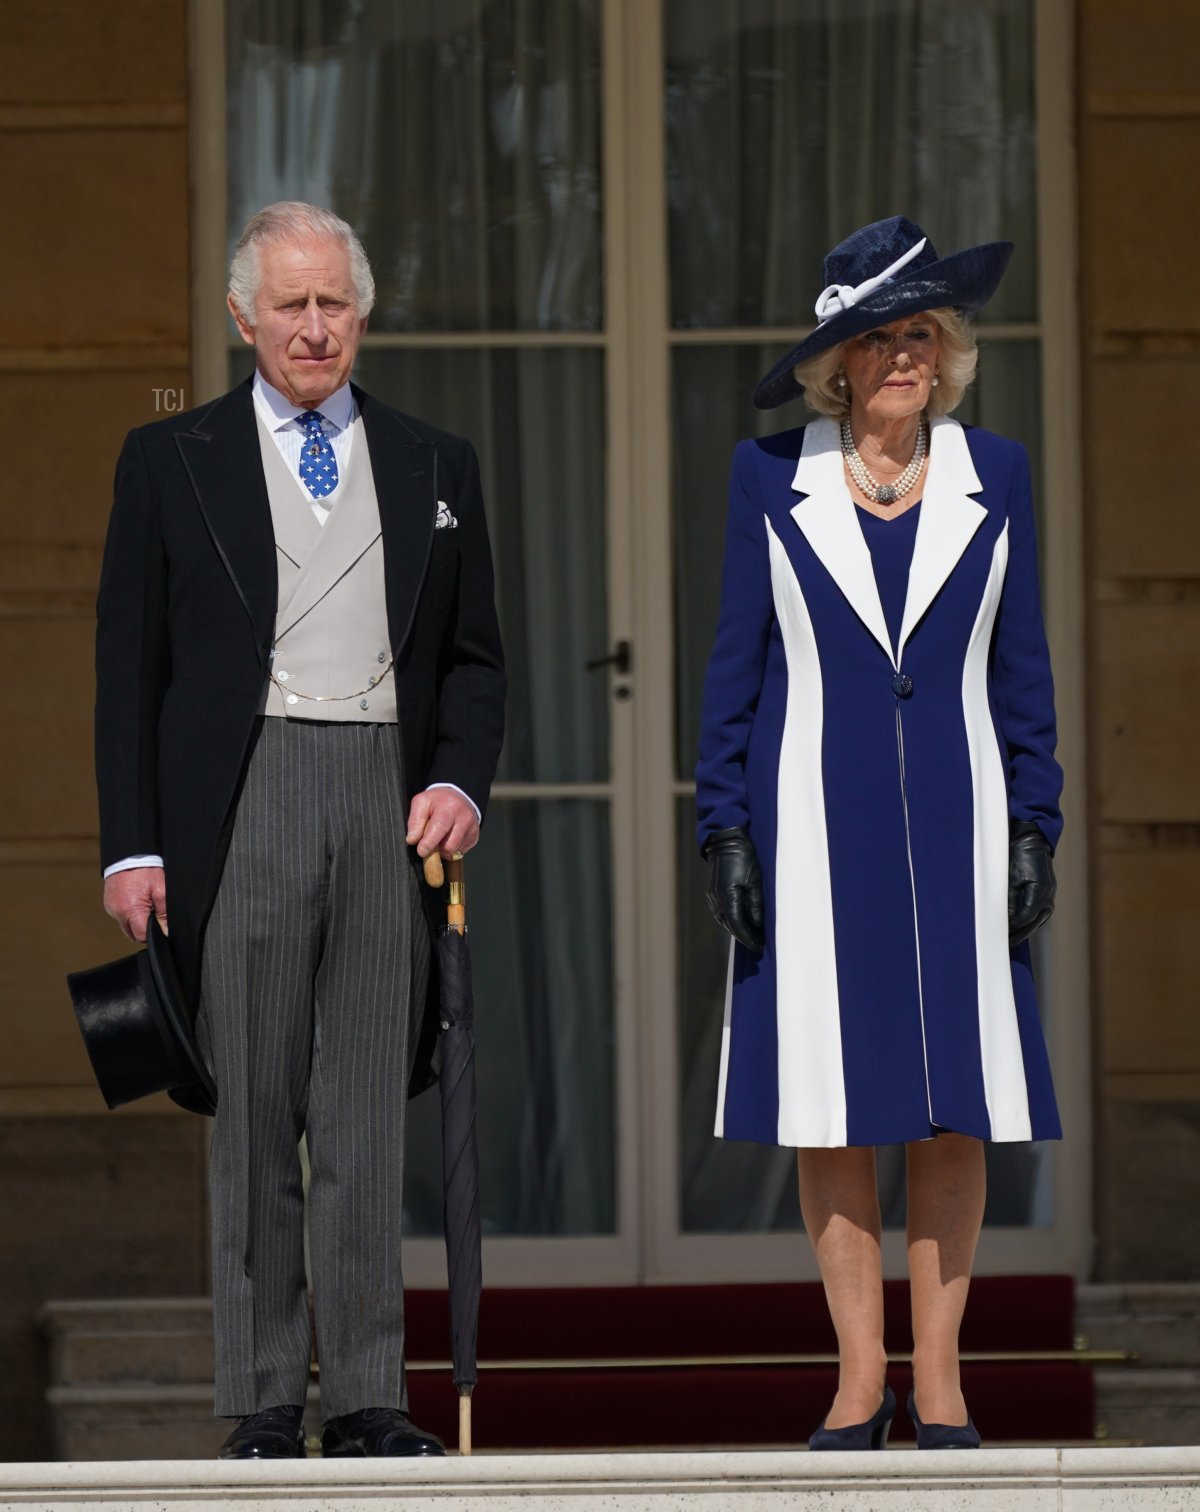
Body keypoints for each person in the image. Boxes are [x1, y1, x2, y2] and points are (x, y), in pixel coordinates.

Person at [95, 201, 505, 1459]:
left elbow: (479, 661)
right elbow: (130, 668)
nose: (314, 327)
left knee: (367, 1112)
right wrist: (134, 846)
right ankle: (266, 1398)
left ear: (363, 313)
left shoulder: (436, 462)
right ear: (243, 317)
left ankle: (372, 1395)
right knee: (259, 1109)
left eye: (334, 303)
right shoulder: (171, 459)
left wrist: (459, 781)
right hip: (247, 795)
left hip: (386, 801)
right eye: (291, 305)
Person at [695, 216, 1061, 1452]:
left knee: (954, 1104)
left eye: (921, 333)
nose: (903, 355)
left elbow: (1024, 669)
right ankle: (861, 1382)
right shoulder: (769, 477)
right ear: (837, 363)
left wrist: (1035, 821)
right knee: (836, 1101)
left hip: (960, 822)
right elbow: (733, 667)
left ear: (946, 353)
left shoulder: (995, 472)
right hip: (811, 819)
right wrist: (723, 828)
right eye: (876, 336)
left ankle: (943, 1384)